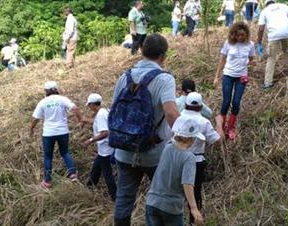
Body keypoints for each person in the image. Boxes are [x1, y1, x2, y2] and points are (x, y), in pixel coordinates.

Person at [111, 34, 179, 226]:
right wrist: (185, 139)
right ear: (163, 56)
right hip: (154, 153)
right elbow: (171, 113)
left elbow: (114, 109)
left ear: (141, 50)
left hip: (124, 149)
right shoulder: (164, 79)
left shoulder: (124, 77)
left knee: (124, 197)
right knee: (161, 196)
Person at [145, 115, 204, 226]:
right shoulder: (189, 157)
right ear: (190, 138)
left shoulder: (167, 147)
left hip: (152, 202)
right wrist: (194, 209)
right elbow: (187, 183)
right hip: (171, 207)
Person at [181, 92, 224, 224]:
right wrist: (219, 124)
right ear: (200, 107)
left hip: (178, 158)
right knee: (195, 193)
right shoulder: (204, 122)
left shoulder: (178, 118)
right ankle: (194, 220)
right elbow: (218, 140)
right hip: (196, 161)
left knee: (176, 192)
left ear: (185, 105)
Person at [30, 81, 82, 188]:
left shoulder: (43, 102)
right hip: (63, 131)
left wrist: (31, 129)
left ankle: (47, 181)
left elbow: (35, 118)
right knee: (65, 153)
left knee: (48, 157)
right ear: (56, 89)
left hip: (48, 133)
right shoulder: (62, 99)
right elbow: (75, 108)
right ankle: (73, 174)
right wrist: (80, 120)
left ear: (46, 91)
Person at [214, 22, 255, 140]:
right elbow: (222, 60)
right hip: (228, 75)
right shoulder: (228, 43)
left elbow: (251, 59)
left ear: (246, 34)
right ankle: (221, 125)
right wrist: (217, 76)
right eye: (237, 35)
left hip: (241, 77)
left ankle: (231, 127)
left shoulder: (250, 45)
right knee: (226, 101)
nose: (240, 38)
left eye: (242, 35)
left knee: (236, 102)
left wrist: (251, 63)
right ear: (233, 34)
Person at [256, 0, 288, 89]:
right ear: (274, 2)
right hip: (287, 32)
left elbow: (261, 29)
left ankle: (268, 83)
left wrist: (259, 44)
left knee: (271, 58)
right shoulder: (283, 6)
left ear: (266, 4)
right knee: (287, 50)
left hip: (274, 35)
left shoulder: (264, 11)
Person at [82, 93, 117, 201]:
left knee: (107, 174)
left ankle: (115, 197)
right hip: (107, 147)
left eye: (89, 105)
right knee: (96, 167)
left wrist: (90, 140)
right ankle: (89, 186)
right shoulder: (104, 111)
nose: (89, 107)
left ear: (93, 104)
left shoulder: (101, 115)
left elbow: (104, 133)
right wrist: (85, 120)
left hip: (105, 149)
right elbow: (98, 123)